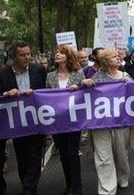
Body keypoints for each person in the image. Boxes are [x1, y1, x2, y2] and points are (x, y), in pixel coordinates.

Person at [81, 48, 134, 195]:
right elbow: (84, 95)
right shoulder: (97, 77)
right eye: (114, 57)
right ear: (105, 62)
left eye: (118, 56)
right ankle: (107, 189)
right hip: (100, 124)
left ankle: (122, 176)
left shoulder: (125, 76)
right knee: (103, 156)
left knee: (121, 155)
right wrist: (84, 83)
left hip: (121, 122)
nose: (118, 58)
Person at [0, 40, 47, 194]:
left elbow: (48, 91)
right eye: (22, 55)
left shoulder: (38, 70)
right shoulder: (3, 74)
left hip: (37, 121)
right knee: (22, 157)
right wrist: (6, 94)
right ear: (13, 57)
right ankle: (27, 183)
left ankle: (29, 189)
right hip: (16, 124)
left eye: (28, 54)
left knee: (34, 157)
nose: (27, 57)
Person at [45, 45, 85, 195]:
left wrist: (79, 87)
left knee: (72, 154)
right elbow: (46, 98)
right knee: (63, 154)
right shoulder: (50, 76)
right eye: (56, 53)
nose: (57, 54)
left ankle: (77, 187)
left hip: (74, 120)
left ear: (68, 56)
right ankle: (69, 185)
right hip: (57, 121)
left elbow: (85, 92)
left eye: (61, 53)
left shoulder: (78, 73)